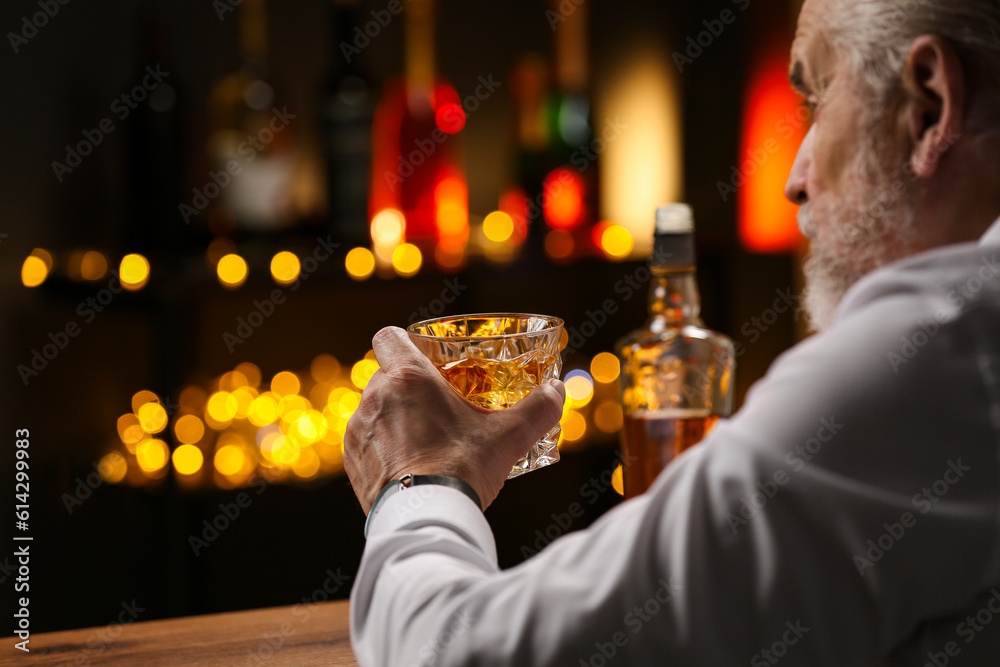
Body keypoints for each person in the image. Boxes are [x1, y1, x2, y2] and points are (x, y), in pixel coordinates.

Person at [344, 0, 1000, 663]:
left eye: (818, 101)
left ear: (927, 104)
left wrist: (419, 480)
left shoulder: (936, 356)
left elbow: (452, 651)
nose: (795, 181)